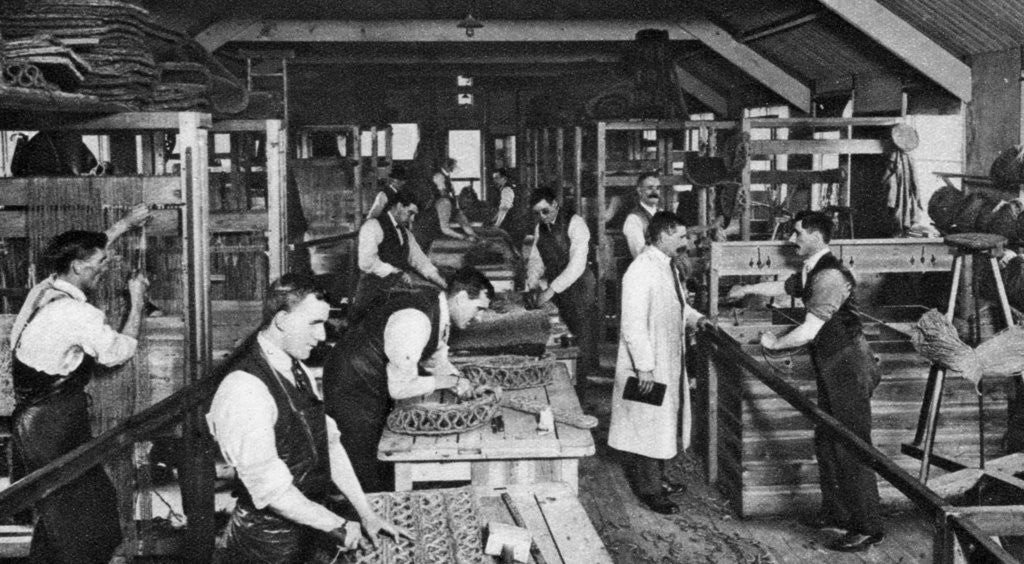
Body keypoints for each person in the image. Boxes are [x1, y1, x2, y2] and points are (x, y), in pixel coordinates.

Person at [208, 274, 408, 563]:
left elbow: (329, 443)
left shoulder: (297, 369)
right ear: (281, 321)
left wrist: (366, 513)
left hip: (307, 530)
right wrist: (336, 524)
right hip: (264, 546)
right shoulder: (244, 388)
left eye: (324, 324)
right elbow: (271, 490)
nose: (323, 336)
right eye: (313, 323)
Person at [727, 210, 884, 552]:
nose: (791, 239)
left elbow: (810, 330)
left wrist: (774, 343)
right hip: (831, 363)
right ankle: (837, 513)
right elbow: (786, 287)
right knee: (828, 440)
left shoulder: (830, 276)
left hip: (849, 365)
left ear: (816, 235)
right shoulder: (811, 268)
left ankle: (868, 526)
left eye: (797, 233)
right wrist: (747, 288)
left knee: (851, 445)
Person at [8, 205, 151, 564]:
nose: (106, 267)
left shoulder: (44, 290)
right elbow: (117, 352)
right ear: (77, 266)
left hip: (37, 421)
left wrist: (126, 224)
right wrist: (136, 302)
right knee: (89, 519)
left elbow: (93, 245)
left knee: (61, 511)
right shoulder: (76, 313)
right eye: (101, 263)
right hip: (52, 426)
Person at [323, 266, 493, 492]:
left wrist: (464, 383)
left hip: (369, 377)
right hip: (352, 381)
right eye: (479, 309)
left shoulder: (438, 310)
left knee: (374, 460)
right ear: (461, 298)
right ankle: (353, 513)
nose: (479, 318)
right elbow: (401, 387)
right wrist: (451, 383)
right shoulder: (415, 319)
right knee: (361, 463)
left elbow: (436, 361)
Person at [608, 212, 712, 515]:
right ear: (663, 235)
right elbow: (632, 324)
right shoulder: (640, 270)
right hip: (647, 363)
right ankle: (649, 490)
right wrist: (644, 367)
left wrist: (697, 319)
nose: (685, 242)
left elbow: (679, 305)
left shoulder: (665, 266)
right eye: (680, 236)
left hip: (666, 357)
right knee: (647, 423)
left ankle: (660, 478)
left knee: (662, 421)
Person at [525, 186, 599, 402]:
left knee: (580, 342)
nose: (541, 216)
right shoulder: (542, 226)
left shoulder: (576, 224)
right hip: (558, 288)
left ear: (556, 204)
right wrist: (531, 283)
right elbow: (536, 258)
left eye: (545, 211)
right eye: (537, 213)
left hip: (580, 288)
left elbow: (576, 265)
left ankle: (581, 397)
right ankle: (559, 391)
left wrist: (549, 291)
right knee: (561, 338)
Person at [350, 190, 447, 322]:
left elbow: (420, 261)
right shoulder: (373, 226)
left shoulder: (406, 233)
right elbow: (366, 262)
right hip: (371, 298)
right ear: (400, 206)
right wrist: (395, 271)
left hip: (392, 295)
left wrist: (441, 281)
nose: (412, 219)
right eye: (410, 213)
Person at [412, 158, 478, 251]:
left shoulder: (452, 206)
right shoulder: (440, 178)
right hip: (425, 229)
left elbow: (464, 223)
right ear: (448, 166)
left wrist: (474, 236)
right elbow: (445, 229)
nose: (456, 168)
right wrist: (465, 237)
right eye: (454, 166)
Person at [622, 173, 662, 258]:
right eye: (650, 188)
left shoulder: (662, 214)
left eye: (658, 188)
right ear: (640, 191)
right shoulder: (634, 219)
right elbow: (639, 254)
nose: (655, 192)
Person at [491, 168, 530, 252]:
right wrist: (494, 219)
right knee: (515, 249)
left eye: (497, 178)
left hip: (514, 224)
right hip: (520, 221)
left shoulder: (506, 189)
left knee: (513, 249)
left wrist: (497, 224)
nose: (494, 180)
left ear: (504, 178)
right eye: (493, 178)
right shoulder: (511, 187)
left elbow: (504, 208)